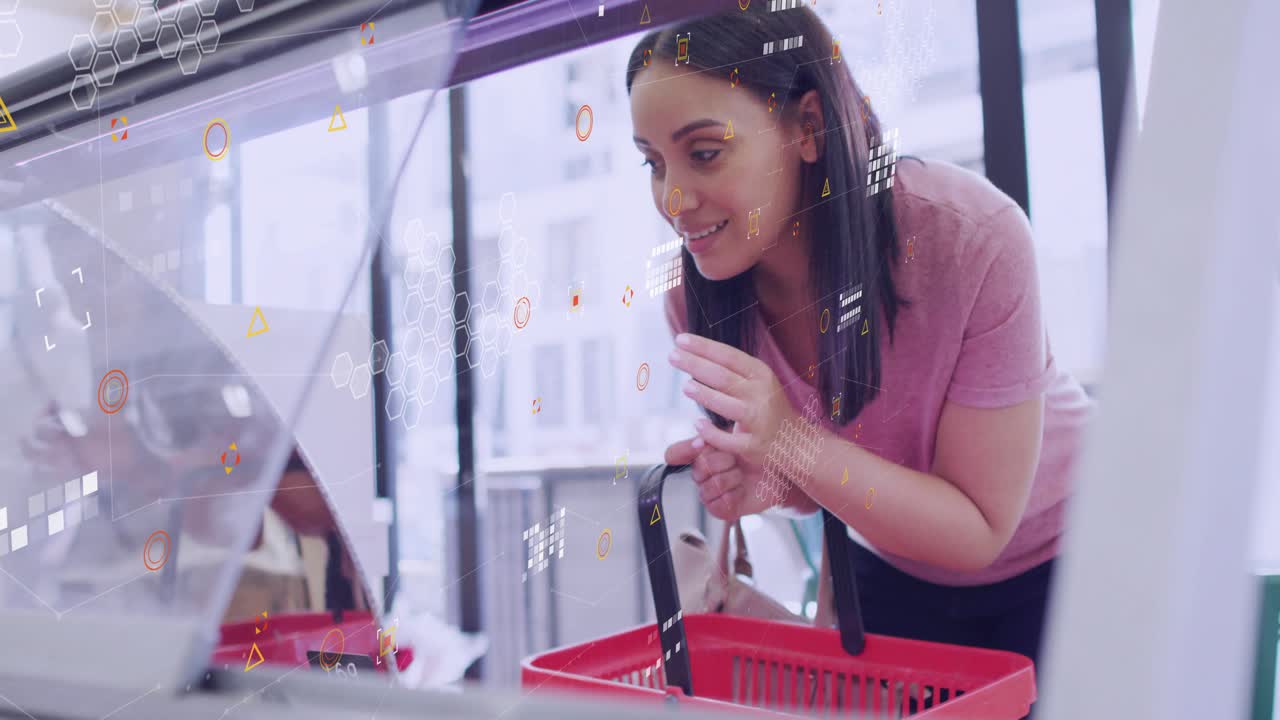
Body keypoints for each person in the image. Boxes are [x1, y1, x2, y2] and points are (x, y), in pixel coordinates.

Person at [627, 6, 1094, 675]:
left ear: (807, 127)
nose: (673, 199)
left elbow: (978, 528)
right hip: (893, 568)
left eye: (704, 153)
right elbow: (837, 480)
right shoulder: (695, 295)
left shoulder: (970, 238)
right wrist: (769, 484)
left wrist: (791, 443)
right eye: (652, 163)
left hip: (1070, 556)